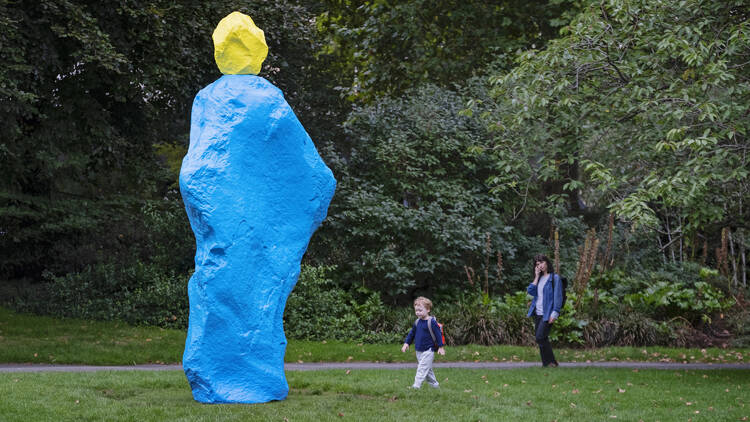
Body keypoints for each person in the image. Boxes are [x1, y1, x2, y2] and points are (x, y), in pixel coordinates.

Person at [526, 254, 563, 367]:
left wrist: (555, 313)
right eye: (537, 264)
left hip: (548, 314)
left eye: (542, 262)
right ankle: (546, 363)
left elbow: (558, 296)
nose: (540, 265)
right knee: (542, 338)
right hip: (538, 313)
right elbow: (530, 291)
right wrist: (536, 276)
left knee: (540, 337)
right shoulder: (540, 278)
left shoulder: (554, 278)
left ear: (547, 263)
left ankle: (551, 361)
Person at [401, 296, 445, 388]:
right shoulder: (417, 322)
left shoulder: (431, 322)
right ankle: (435, 385)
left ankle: (416, 386)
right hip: (419, 350)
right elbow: (411, 333)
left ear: (428, 310)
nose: (418, 312)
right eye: (416, 310)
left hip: (428, 350)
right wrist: (406, 343)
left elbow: (438, 334)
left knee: (421, 368)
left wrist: (441, 347)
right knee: (427, 370)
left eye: (420, 310)